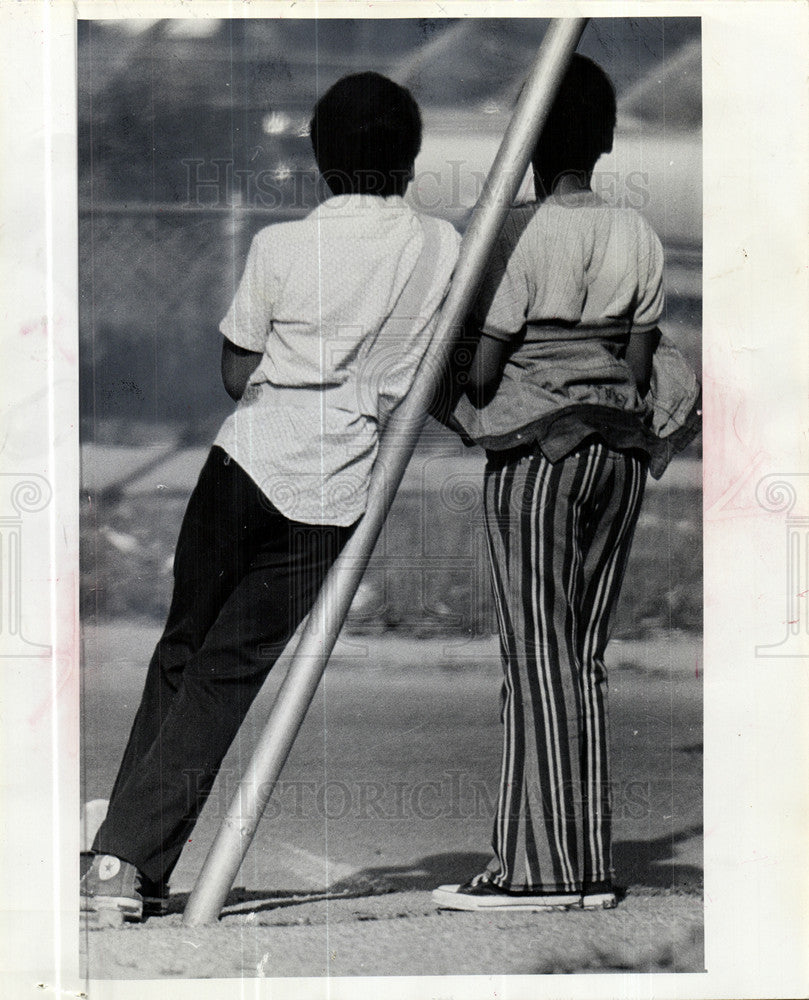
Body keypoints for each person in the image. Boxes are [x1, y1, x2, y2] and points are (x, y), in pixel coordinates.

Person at [81, 71, 461, 922]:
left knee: (181, 652)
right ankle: (126, 858)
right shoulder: (442, 246)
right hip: (338, 485)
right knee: (226, 672)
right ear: (411, 160)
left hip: (245, 463)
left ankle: (124, 861)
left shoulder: (280, 247)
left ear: (320, 160)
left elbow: (233, 372)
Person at [432, 54, 700, 912]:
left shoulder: (513, 231)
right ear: (608, 138)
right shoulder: (637, 232)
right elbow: (634, 356)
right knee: (579, 658)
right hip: (617, 456)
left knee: (535, 659)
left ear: (522, 142)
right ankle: (583, 864)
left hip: (536, 460)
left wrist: (457, 379)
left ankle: (536, 870)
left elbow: (482, 366)